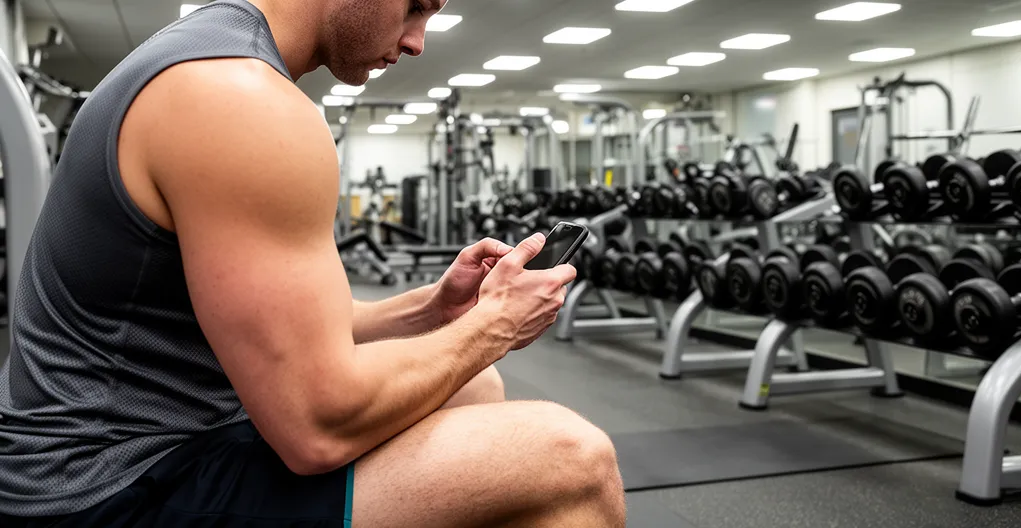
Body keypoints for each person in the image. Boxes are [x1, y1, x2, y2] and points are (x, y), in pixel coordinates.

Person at [0, 0, 626, 526]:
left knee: (475, 387)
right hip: (98, 487)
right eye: (414, 6)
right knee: (573, 457)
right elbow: (316, 429)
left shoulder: (212, 54)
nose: (416, 42)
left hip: (151, 440)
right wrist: (493, 327)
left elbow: (283, 326)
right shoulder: (239, 99)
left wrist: (434, 309)